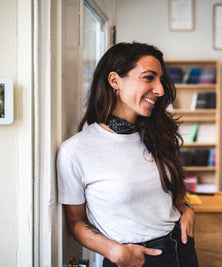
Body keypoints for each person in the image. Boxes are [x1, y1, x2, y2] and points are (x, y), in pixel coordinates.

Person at [57, 42, 199, 267]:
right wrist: (113, 250)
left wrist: (186, 208)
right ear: (115, 81)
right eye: (149, 77)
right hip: (134, 260)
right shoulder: (76, 150)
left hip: (183, 250)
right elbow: (75, 222)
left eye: (160, 80)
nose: (160, 90)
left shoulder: (159, 134)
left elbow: (172, 193)